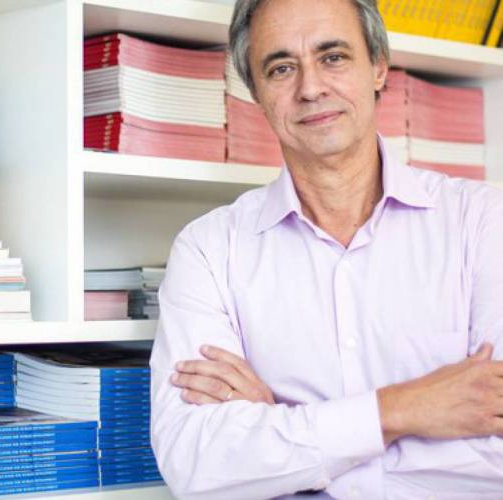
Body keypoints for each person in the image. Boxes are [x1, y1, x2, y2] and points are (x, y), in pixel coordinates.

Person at [149, 0, 503, 498]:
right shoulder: (209, 249)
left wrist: (281, 430)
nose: (311, 88)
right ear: (255, 93)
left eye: (333, 57)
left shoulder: (484, 222)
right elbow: (196, 463)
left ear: (378, 67)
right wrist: (403, 409)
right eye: (281, 68)